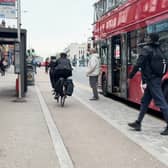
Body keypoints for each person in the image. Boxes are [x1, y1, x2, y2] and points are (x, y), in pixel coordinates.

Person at [128, 33, 168, 135]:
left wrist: (130, 76)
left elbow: (138, 63)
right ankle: (138, 123)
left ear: (150, 39)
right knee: (145, 102)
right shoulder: (160, 48)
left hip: (152, 80)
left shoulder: (146, 49)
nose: (146, 38)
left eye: (148, 37)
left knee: (161, 103)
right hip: (156, 78)